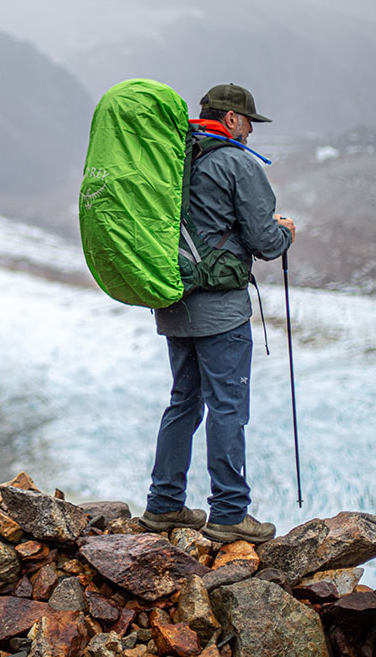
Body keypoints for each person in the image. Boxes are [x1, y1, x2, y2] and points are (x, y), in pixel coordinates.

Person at [140, 83, 295, 544]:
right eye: (248, 121)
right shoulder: (237, 162)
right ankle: (228, 513)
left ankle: (163, 505)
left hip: (175, 300)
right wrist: (285, 233)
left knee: (183, 402)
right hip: (221, 310)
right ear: (230, 119)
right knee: (227, 406)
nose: (250, 131)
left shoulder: (174, 156)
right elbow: (265, 241)